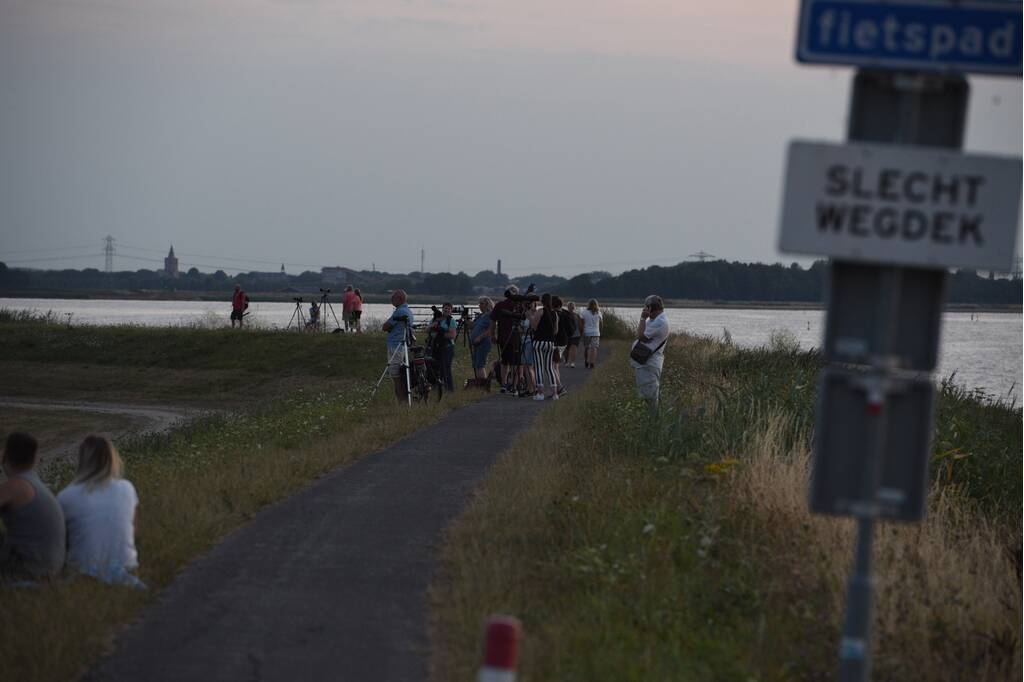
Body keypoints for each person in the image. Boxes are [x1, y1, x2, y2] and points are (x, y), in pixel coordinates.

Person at [58, 435, 143, 587]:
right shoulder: (127, 488)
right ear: (112, 459)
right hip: (127, 568)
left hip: (82, 575)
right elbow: (134, 530)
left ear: (82, 460)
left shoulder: (67, 495)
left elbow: (61, 542)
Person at [0, 432, 66, 581]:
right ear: (35, 458)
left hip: (29, 570)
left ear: (6, 456)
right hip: (49, 567)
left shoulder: (17, 486)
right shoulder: (33, 482)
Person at [630, 295, 670, 410]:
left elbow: (642, 336)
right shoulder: (654, 319)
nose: (644, 310)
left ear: (651, 308)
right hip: (645, 364)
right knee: (645, 397)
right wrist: (646, 318)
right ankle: (650, 422)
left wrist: (642, 318)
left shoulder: (660, 321)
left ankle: (653, 423)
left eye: (646, 307)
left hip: (649, 364)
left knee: (650, 399)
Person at [381, 289, 413, 403]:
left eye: (393, 298)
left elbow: (385, 327)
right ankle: (404, 400)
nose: (391, 300)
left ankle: (402, 402)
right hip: (401, 345)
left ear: (400, 299)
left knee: (396, 375)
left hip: (396, 345)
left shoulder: (399, 312)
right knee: (401, 374)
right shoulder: (408, 310)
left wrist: (388, 327)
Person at [490, 286, 523, 393]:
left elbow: (493, 321)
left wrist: (493, 335)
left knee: (505, 362)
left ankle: (505, 384)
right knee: (514, 363)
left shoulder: (500, 305)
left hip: (504, 337)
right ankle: (512, 385)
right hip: (514, 337)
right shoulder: (519, 305)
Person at [530, 293, 559, 401]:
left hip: (539, 342)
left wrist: (529, 316)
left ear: (542, 301)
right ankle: (555, 393)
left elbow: (534, 326)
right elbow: (555, 331)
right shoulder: (555, 314)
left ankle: (540, 393)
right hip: (550, 343)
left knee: (539, 367)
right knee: (549, 368)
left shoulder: (540, 311)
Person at [430, 302, 459, 392]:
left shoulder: (451, 321)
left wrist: (439, 333)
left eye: (448, 308)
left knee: (446, 368)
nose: (446, 310)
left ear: (451, 311)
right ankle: (436, 387)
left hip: (447, 347)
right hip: (436, 347)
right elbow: (427, 330)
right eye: (445, 308)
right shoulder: (437, 319)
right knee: (435, 367)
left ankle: (449, 389)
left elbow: (452, 335)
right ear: (442, 309)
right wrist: (433, 325)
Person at [470, 297, 494, 382]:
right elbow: (473, 326)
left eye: (482, 304)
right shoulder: (480, 316)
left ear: (487, 305)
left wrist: (480, 337)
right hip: (476, 343)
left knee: (480, 364)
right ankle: (479, 382)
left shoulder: (490, 315)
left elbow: (490, 330)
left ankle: (483, 383)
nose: (479, 306)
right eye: (479, 304)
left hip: (483, 342)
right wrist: (466, 320)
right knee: (476, 364)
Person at [552, 296, 570, 396]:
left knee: (552, 366)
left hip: (556, 343)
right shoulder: (566, 313)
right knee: (556, 366)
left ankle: (560, 387)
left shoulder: (555, 314)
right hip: (564, 342)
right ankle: (557, 389)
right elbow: (570, 328)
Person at [581, 299, 602, 369]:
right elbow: (601, 323)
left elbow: (582, 322)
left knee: (587, 348)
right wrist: (600, 331)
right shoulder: (598, 312)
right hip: (596, 332)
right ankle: (592, 363)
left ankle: (586, 361)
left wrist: (582, 331)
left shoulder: (584, 312)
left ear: (588, 304)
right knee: (594, 348)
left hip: (587, 332)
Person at [565, 301, 582, 368]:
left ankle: (566, 362)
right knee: (574, 348)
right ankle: (573, 363)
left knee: (566, 348)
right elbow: (580, 325)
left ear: (568, 307)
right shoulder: (577, 315)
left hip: (567, 334)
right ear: (574, 307)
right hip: (576, 334)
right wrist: (581, 333)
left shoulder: (564, 314)